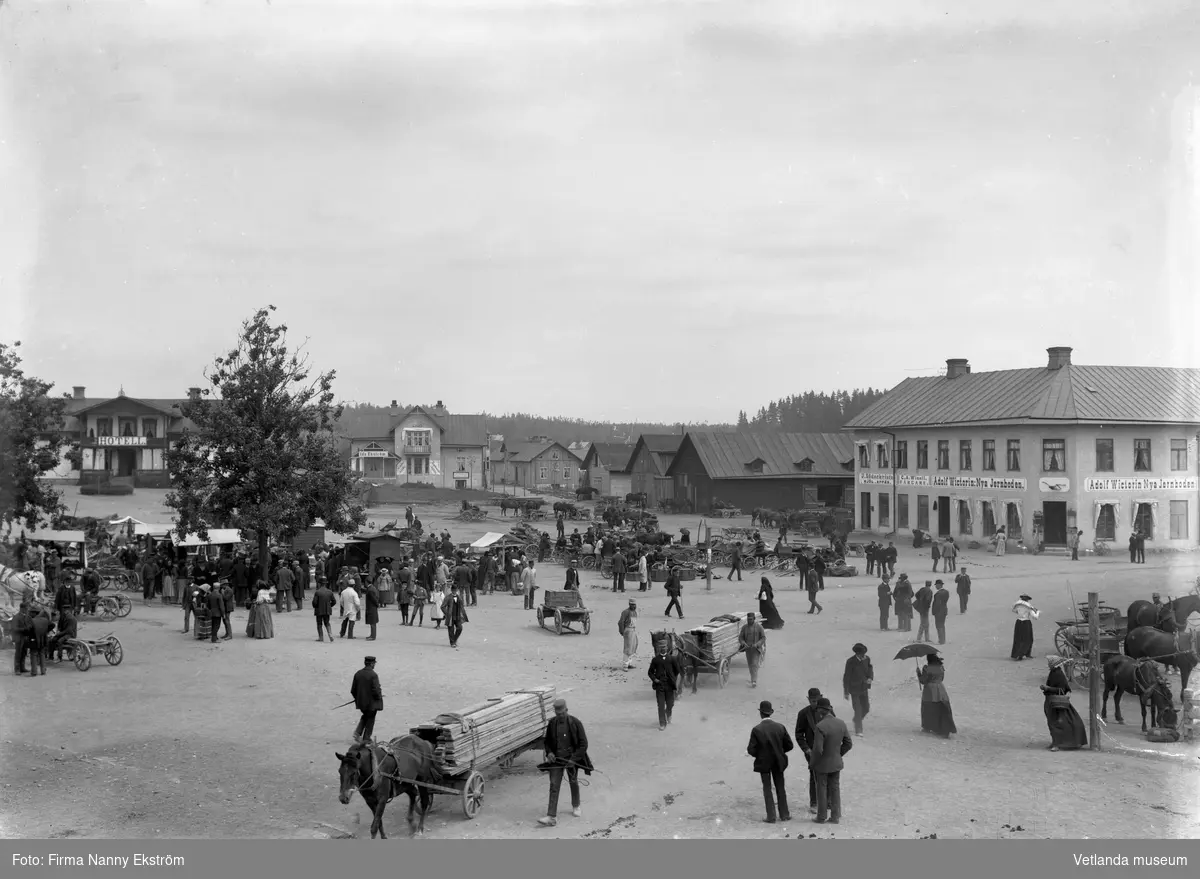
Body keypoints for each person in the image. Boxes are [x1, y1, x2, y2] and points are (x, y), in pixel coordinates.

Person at [537, 698, 593, 827]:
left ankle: (576, 805)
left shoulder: (576, 723)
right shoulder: (552, 724)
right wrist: (549, 753)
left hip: (571, 759)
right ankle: (551, 816)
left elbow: (583, 744)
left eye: (562, 713)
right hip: (557, 760)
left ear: (566, 710)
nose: (560, 716)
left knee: (573, 781)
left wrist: (573, 760)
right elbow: (547, 743)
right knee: (554, 785)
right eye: (558, 714)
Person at [747, 700, 793, 823]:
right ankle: (784, 814)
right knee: (780, 787)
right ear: (771, 713)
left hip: (764, 763)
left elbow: (751, 749)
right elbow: (789, 745)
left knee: (767, 788)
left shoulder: (756, 730)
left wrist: (760, 754)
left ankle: (771, 816)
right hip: (778, 761)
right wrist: (779, 751)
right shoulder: (780, 727)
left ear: (761, 714)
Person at [811, 697, 852, 824]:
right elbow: (848, 743)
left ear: (821, 711)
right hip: (836, 762)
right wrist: (838, 754)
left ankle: (821, 816)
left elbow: (818, 749)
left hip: (823, 764)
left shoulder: (820, 726)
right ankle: (835, 816)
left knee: (821, 789)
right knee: (835, 788)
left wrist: (813, 763)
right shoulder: (841, 723)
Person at [794, 688, 832, 814]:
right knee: (814, 775)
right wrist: (806, 749)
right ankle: (814, 803)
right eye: (812, 701)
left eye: (817, 700)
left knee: (828, 773)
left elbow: (834, 728)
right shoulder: (803, 714)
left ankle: (828, 801)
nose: (815, 703)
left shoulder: (829, 711)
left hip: (827, 749)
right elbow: (799, 734)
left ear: (821, 697)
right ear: (808, 699)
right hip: (812, 750)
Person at [1042, 658, 1088, 751]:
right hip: (1050, 701)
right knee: (1052, 722)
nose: (1048, 664)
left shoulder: (1058, 674)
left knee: (1057, 722)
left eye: (1050, 662)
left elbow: (1062, 689)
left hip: (1056, 702)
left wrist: (1048, 688)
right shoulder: (1053, 672)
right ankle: (1055, 742)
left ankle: (1057, 744)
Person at [917, 655, 957, 738]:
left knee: (928, 709)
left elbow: (923, 680)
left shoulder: (927, 668)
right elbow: (942, 679)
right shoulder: (941, 668)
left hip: (930, 691)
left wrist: (918, 673)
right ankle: (944, 728)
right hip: (941, 689)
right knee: (943, 709)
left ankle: (928, 727)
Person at [647, 639, 682, 730]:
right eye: (661, 647)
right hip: (660, 686)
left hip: (670, 686)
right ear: (659, 648)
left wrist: (672, 678)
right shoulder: (655, 660)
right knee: (661, 705)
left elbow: (677, 670)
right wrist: (655, 679)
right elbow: (650, 672)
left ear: (667, 647)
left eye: (665, 647)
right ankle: (662, 723)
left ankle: (668, 713)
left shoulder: (672, 659)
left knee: (670, 703)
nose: (663, 649)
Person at [842, 643, 873, 737]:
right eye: (862, 654)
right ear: (857, 653)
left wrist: (870, 678)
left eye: (864, 653)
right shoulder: (850, 662)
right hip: (854, 690)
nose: (864, 655)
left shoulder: (867, 659)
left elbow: (870, 669)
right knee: (858, 709)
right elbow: (846, 677)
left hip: (864, 688)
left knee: (866, 708)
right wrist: (846, 692)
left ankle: (856, 719)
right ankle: (858, 729)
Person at [351, 656, 383, 742]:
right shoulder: (373, 675)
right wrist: (379, 697)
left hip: (361, 702)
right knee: (371, 718)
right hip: (371, 703)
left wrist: (358, 698)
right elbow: (376, 690)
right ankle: (366, 738)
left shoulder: (358, 673)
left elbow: (353, 690)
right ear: (372, 664)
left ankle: (358, 732)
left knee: (366, 715)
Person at [739, 612, 767, 688]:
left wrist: (757, 644)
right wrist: (743, 643)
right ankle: (753, 678)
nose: (749, 621)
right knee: (750, 665)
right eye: (748, 619)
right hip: (748, 649)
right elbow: (740, 638)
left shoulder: (759, 627)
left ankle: (754, 681)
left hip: (756, 649)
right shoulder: (744, 627)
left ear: (754, 619)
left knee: (754, 664)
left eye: (751, 619)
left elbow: (763, 638)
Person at [1011, 594, 1039, 660]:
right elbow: (1035, 617)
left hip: (1018, 622)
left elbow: (1014, 611)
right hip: (1026, 623)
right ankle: (1025, 653)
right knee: (1028, 639)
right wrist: (1037, 612)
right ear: (1027, 600)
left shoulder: (1017, 605)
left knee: (1018, 639)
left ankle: (1017, 654)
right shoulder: (1029, 607)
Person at [441, 584, 468, 648]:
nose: (454, 591)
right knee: (451, 630)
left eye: (455, 590)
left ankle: (454, 640)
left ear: (457, 590)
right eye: (453, 590)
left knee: (460, 628)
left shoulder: (459, 597)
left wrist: (463, 614)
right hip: (450, 616)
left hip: (458, 615)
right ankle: (452, 642)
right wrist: (447, 613)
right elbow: (442, 607)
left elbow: (462, 606)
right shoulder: (448, 597)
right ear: (451, 590)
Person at [312, 578, 336, 642]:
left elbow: (314, 602)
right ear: (326, 584)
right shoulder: (330, 592)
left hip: (319, 610)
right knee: (327, 623)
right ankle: (330, 635)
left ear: (319, 584)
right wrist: (329, 606)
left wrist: (316, 607)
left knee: (319, 624)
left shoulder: (317, 592)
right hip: (327, 610)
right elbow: (334, 601)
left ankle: (321, 637)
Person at [29, 608, 51, 676]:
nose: (30, 614)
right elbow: (53, 625)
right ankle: (43, 671)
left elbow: (28, 630)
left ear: (35, 613)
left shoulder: (32, 620)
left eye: (31, 613)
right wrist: (46, 631)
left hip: (34, 640)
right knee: (42, 654)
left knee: (34, 655)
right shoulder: (45, 620)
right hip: (43, 640)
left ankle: (34, 672)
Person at [618, 599, 639, 669]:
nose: (634, 606)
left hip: (633, 630)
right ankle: (625, 665)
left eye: (634, 604)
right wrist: (622, 631)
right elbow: (621, 622)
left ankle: (629, 662)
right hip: (628, 630)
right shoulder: (625, 612)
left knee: (633, 647)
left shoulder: (635, 612)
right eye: (632, 604)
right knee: (627, 648)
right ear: (629, 604)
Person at [931, 580, 950, 645]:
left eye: (936, 585)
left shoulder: (938, 594)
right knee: (942, 625)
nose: (936, 586)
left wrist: (934, 611)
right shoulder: (946, 592)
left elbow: (937, 604)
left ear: (939, 585)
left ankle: (941, 640)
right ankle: (943, 639)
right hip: (944, 610)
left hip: (938, 611)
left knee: (938, 626)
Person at [364, 577, 380, 641]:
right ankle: (372, 634)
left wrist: (377, 604)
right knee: (372, 622)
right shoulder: (372, 588)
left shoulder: (370, 590)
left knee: (372, 622)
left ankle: (373, 636)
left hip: (371, 607)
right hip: (372, 607)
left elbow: (374, 599)